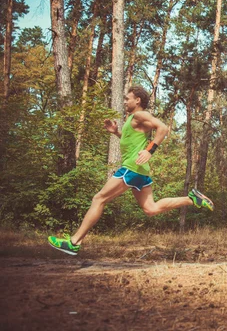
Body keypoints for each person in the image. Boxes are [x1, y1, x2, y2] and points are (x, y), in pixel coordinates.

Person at [48, 86, 213, 256]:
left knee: (99, 198)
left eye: (127, 98)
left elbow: (163, 128)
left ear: (137, 100)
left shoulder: (139, 115)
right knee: (151, 209)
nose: (125, 101)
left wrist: (150, 150)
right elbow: (133, 142)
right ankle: (191, 199)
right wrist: (116, 132)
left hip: (131, 168)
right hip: (140, 171)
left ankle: (74, 242)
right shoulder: (132, 120)